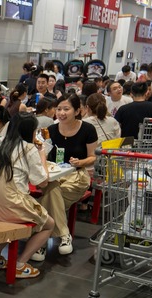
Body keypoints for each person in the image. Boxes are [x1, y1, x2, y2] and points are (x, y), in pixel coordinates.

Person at [0, 108, 54, 278]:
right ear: (30, 131)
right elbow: (42, 181)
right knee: (49, 225)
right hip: (12, 207)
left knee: (9, 217)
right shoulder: (28, 148)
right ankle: (19, 264)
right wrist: (41, 153)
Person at [34, 93, 98, 260]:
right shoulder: (50, 130)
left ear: (77, 111)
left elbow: (93, 157)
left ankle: (40, 243)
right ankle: (64, 235)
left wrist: (80, 162)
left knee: (43, 200)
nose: (61, 113)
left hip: (77, 175)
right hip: (54, 176)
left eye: (66, 109)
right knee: (53, 188)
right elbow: (43, 154)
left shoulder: (88, 129)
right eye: (58, 109)